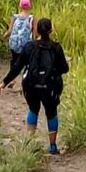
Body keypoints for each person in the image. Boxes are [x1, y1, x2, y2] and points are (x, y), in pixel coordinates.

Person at [18, 17, 69, 155]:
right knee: (51, 112)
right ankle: (52, 146)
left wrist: (4, 82)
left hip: (31, 85)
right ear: (51, 30)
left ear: (36, 29)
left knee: (33, 109)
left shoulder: (30, 46)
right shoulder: (56, 48)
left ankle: (30, 143)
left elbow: (18, 65)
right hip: (50, 86)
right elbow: (65, 69)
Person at [0, 0, 36, 89]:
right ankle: (24, 80)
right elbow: (34, 32)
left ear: (20, 6)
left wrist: (5, 36)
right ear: (29, 6)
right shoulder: (31, 18)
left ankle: (12, 79)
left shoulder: (15, 17)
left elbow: (10, 31)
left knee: (14, 61)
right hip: (25, 45)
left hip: (14, 43)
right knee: (26, 63)